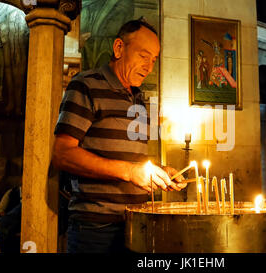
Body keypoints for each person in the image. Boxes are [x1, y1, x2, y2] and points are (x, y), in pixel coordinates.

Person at [51, 19, 187, 253]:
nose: (149, 67)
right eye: (144, 56)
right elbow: (63, 155)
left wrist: (159, 171)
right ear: (118, 48)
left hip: (137, 224)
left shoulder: (140, 100)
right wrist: (130, 171)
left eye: (153, 60)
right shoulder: (86, 85)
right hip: (95, 229)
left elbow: (132, 163)